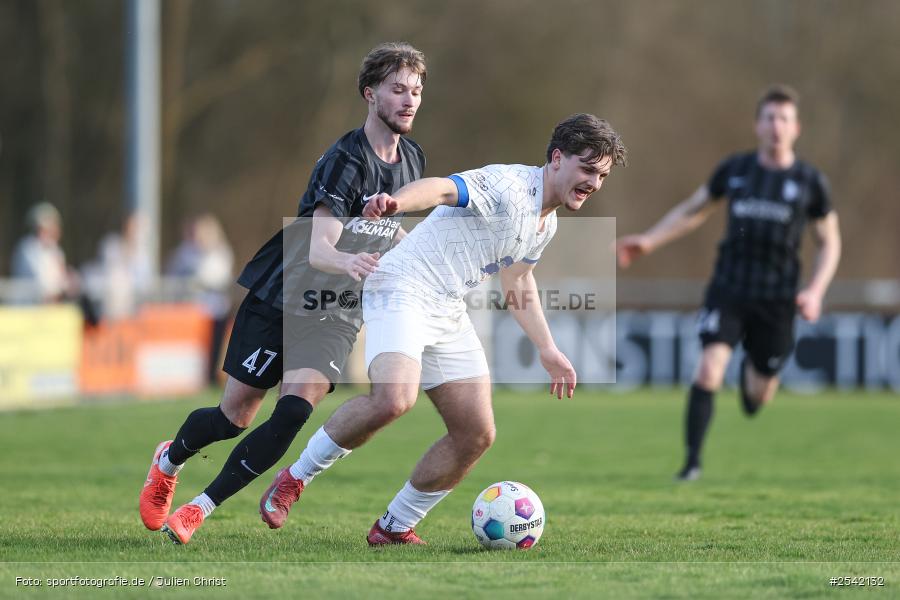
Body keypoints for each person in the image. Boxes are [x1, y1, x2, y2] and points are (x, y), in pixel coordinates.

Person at [259, 113, 627, 544]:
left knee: (476, 433)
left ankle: (395, 526)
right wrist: (397, 202)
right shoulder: (509, 187)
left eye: (602, 175)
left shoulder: (546, 223)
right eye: (588, 169)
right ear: (557, 158)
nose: (594, 182)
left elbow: (518, 280)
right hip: (402, 285)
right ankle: (294, 478)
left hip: (447, 307)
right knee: (394, 399)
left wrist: (547, 348)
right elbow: (443, 188)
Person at [139, 42, 428, 544]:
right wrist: (352, 261)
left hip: (335, 309)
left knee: (294, 411)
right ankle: (168, 460)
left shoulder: (414, 160)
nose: (409, 101)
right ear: (370, 93)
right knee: (234, 417)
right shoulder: (345, 161)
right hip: (285, 293)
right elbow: (320, 249)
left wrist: (424, 258)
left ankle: (200, 509)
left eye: (417, 91)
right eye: (398, 89)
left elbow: (388, 232)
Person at [614, 84, 841, 481]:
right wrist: (648, 240)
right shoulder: (736, 171)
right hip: (729, 290)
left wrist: (816, 291)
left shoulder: (810, 182)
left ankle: (753, 378)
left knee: (757, 395)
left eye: (784, 119)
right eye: (769, 117)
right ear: (757, 124)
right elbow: (693, 209)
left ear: (796, 128)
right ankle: (691, 464)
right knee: (707, 370)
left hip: (778, 299)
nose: (776, 126)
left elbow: (829, 241)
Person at [166, 213, 235, 384]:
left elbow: (220, 281)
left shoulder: (220, 253)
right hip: (192, 311)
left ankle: (211, 377)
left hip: (215, 310)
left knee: (214, 348)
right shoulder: (185, 253)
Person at [10, 202, 77, 303]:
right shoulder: (27, 248)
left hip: (50, 308)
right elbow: (42, 283)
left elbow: (66, 281)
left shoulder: (56, 251)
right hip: (29, 308)